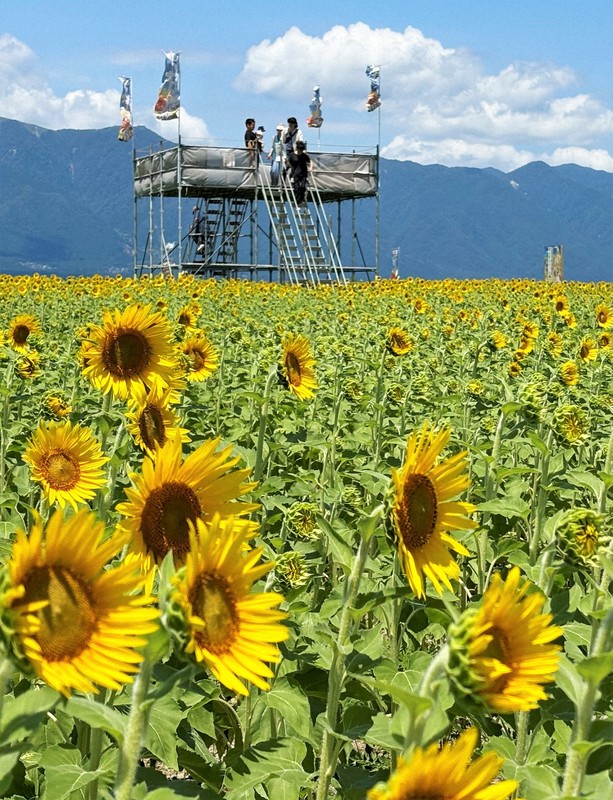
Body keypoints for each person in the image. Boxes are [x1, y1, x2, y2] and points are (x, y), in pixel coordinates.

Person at [281, 116, 305, 180]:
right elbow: (282, 140)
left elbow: (300, 141)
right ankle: (283, 183)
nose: (290, 125)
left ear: (295, 124)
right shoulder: (285, 130)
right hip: (287, 150)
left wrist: (300, 149)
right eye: (289, 123)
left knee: (294, 166)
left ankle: (292, 180)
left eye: (292, 123)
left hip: (295, 151)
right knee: (285, 166)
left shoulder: (298, 132)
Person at [291, 140, 311, 204]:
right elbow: (289, 162)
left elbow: (310, 161)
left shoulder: (304, 156)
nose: (301, 151)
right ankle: (297, 201)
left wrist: (310, 168)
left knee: (302, 187)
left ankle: (301, 199)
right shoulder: (292, 155)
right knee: (296, 188)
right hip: (296, 173)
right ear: (297, 148)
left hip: (303, 174)